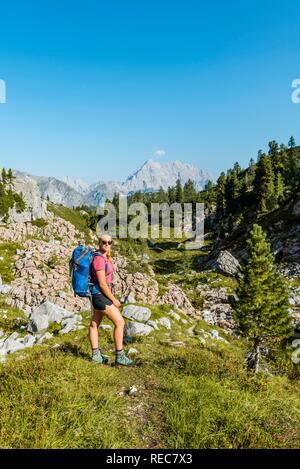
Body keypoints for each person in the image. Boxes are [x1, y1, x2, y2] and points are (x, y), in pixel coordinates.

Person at [88, 234, 134, 366]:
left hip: (98, 294)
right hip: (99, 295)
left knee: (94, 324)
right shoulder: (98, 259)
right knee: (119, 322)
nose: (107, 244)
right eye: (104, 242)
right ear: (99, 243)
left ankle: (96, 356)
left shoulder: (104, 257)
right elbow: (102, 284)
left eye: (109, 242)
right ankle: (120, 356)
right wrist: (114, 300)